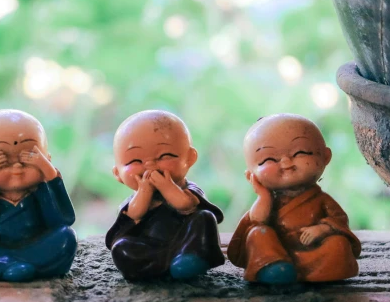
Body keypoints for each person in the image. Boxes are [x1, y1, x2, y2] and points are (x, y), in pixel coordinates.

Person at [227, 114, 361, 284]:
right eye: (269, 159)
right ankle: (275, 268)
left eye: (300, 152)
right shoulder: (267, 201)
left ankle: (319, 273)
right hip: (277, 252)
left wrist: (322, 229)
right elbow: (257, 220)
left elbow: (339, 220)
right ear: (250, 175)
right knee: (257, 233)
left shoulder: (322, 200)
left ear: (325, 157)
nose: (286, 162)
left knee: (338, 243)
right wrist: (263, 196)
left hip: (313, 250)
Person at [0, 109, 77, 282]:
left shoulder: (40, 191)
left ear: (47, 159)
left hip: (35, 247)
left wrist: (48, 172)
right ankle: (11, 265)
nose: (17, 167)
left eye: (28, 158)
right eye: (1, 160)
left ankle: (14, 266)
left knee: (66, 236)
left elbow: (63, 219)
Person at [105, 110, 224, 281]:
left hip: (186, 242)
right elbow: (135, 214)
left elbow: (185, 205)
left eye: (165, 156)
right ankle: (162, 266)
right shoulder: (136, 199)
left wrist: (167, 187)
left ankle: (191, 260)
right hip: (150, 247)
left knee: (205, 217)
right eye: (135, 161)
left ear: (189, 158)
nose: (150, 165)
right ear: (118, 174)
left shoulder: (187, 189)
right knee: (121, 248)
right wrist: (145, 191)